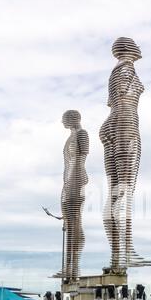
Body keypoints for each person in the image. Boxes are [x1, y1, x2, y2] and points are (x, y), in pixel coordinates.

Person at [99, 37, 151, 270]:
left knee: (114, 193)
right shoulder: (127, 68)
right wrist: (125, 126)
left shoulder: (115, 71)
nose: (140, 47)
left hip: (111, 122)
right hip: (125, 121)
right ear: (129, 48)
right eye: (135, 43)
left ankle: (117, 254)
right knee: (126, 192)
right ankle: (126, 251)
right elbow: (123, 98)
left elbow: (114, 100)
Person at [61, 110, 89, 281]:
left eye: (64, 119)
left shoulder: (82, 134)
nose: (62, 122)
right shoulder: (70, 137)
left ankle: (74, 266)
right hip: (68, 183)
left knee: (75, 222)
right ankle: (68, 268)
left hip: (76, 181)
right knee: (69, 224)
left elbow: (81, 159)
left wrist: (73, 182)